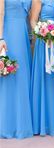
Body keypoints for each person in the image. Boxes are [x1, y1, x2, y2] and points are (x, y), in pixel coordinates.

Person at [0, 0, 33, 139]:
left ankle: (22, 124)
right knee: (10, 77)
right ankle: (7, 126)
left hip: (23, 35)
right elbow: (0, 13)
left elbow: (30, 16)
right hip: (9, 33)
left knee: (22, 77)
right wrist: (1, 38)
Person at [30, 0, 54, 136]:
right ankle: (43, 123)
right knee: (46, 80)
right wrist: (41, 32)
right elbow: (32, 20)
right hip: (44, 44)